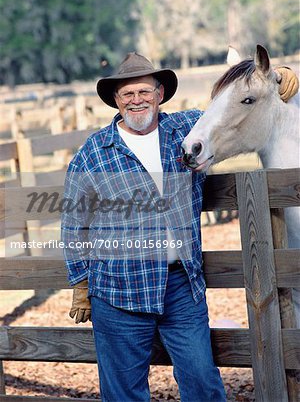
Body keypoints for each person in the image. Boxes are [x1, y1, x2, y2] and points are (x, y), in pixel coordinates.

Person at [62, 52, 298, 402]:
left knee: (203, 385)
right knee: (124, 393)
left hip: (180, 288)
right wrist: (80, 280)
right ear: (116, 100)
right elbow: (73, 223)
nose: (136, 100)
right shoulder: (94, 153)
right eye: (127, 94)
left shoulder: (183, 132)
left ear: (159, 94)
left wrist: (277, 76)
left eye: (144, 91)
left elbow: (232, 107)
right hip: (118, 290)